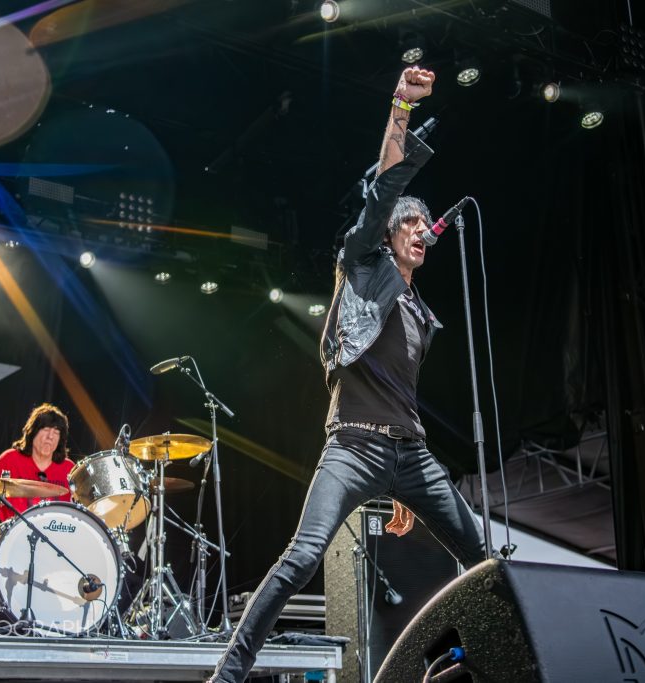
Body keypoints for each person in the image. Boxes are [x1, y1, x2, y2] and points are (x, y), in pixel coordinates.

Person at [208, 65, 491, 683]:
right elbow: (384, 189)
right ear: (388, 235)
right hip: (353, 446)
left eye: (424, 227)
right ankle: (228, 673)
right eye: (410, 225)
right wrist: (400, 109)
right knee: (303, 556)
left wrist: (403, 484)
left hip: (410, 456)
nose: (420, 232)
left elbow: (401, 392)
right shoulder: (364, 265)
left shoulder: (418, 311)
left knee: (484, 560)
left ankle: (481, 666)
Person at [0, 403, 75, 522]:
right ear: (33, 432)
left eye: (56, 432)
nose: (50, 436)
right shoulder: (9, 459)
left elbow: (82, 509)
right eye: (46, 429)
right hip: (11, 531)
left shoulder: (69, 469)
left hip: (54, 532)